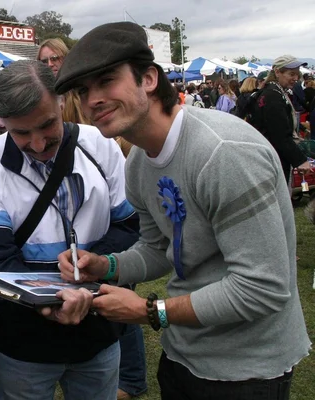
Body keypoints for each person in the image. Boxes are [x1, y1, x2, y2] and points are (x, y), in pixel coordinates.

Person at [55, 21, 310, 400]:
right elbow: (160, 249)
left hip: (247, 370)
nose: (92, 100)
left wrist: (150, 311)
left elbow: (262, 288)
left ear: (149, 79)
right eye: (82, 90)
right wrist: (106, 265)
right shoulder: (138, 163)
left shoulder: (225, 152)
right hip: (182, 356)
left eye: (106, 81)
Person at [0, 60, 139, 400]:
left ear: (61, 102)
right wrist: (52, 302)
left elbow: (130, 226)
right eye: (22, 133)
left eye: (47, 126)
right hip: (23, 343)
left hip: (98, 332)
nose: (39, 144)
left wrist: (95, 263)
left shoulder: (101, 146)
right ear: (0, 122)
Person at [251, 55, 311, 183]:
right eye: (291, 74)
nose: (295, 78)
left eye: (297, 74)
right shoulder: (273, 95)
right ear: (277, 72)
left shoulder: (275, 91)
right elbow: (279, 134)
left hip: (272, 157)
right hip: (273, 160)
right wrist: (300, 160)